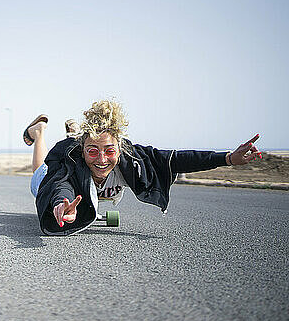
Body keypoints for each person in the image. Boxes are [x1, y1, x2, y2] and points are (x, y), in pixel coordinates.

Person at [23, 100, 262, 236]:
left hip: (87, 163)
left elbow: (177, 159)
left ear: (120, 146)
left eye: (109, 150)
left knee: (95, 154)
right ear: (84, 151)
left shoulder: (132, 158)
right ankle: (40, 133)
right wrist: (59, 204)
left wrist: (228, 158)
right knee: (39, 175)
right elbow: (59, 185)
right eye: (93, 151)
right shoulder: (72, 163)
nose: (102, 160)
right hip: (53, 174)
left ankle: (76, 134)